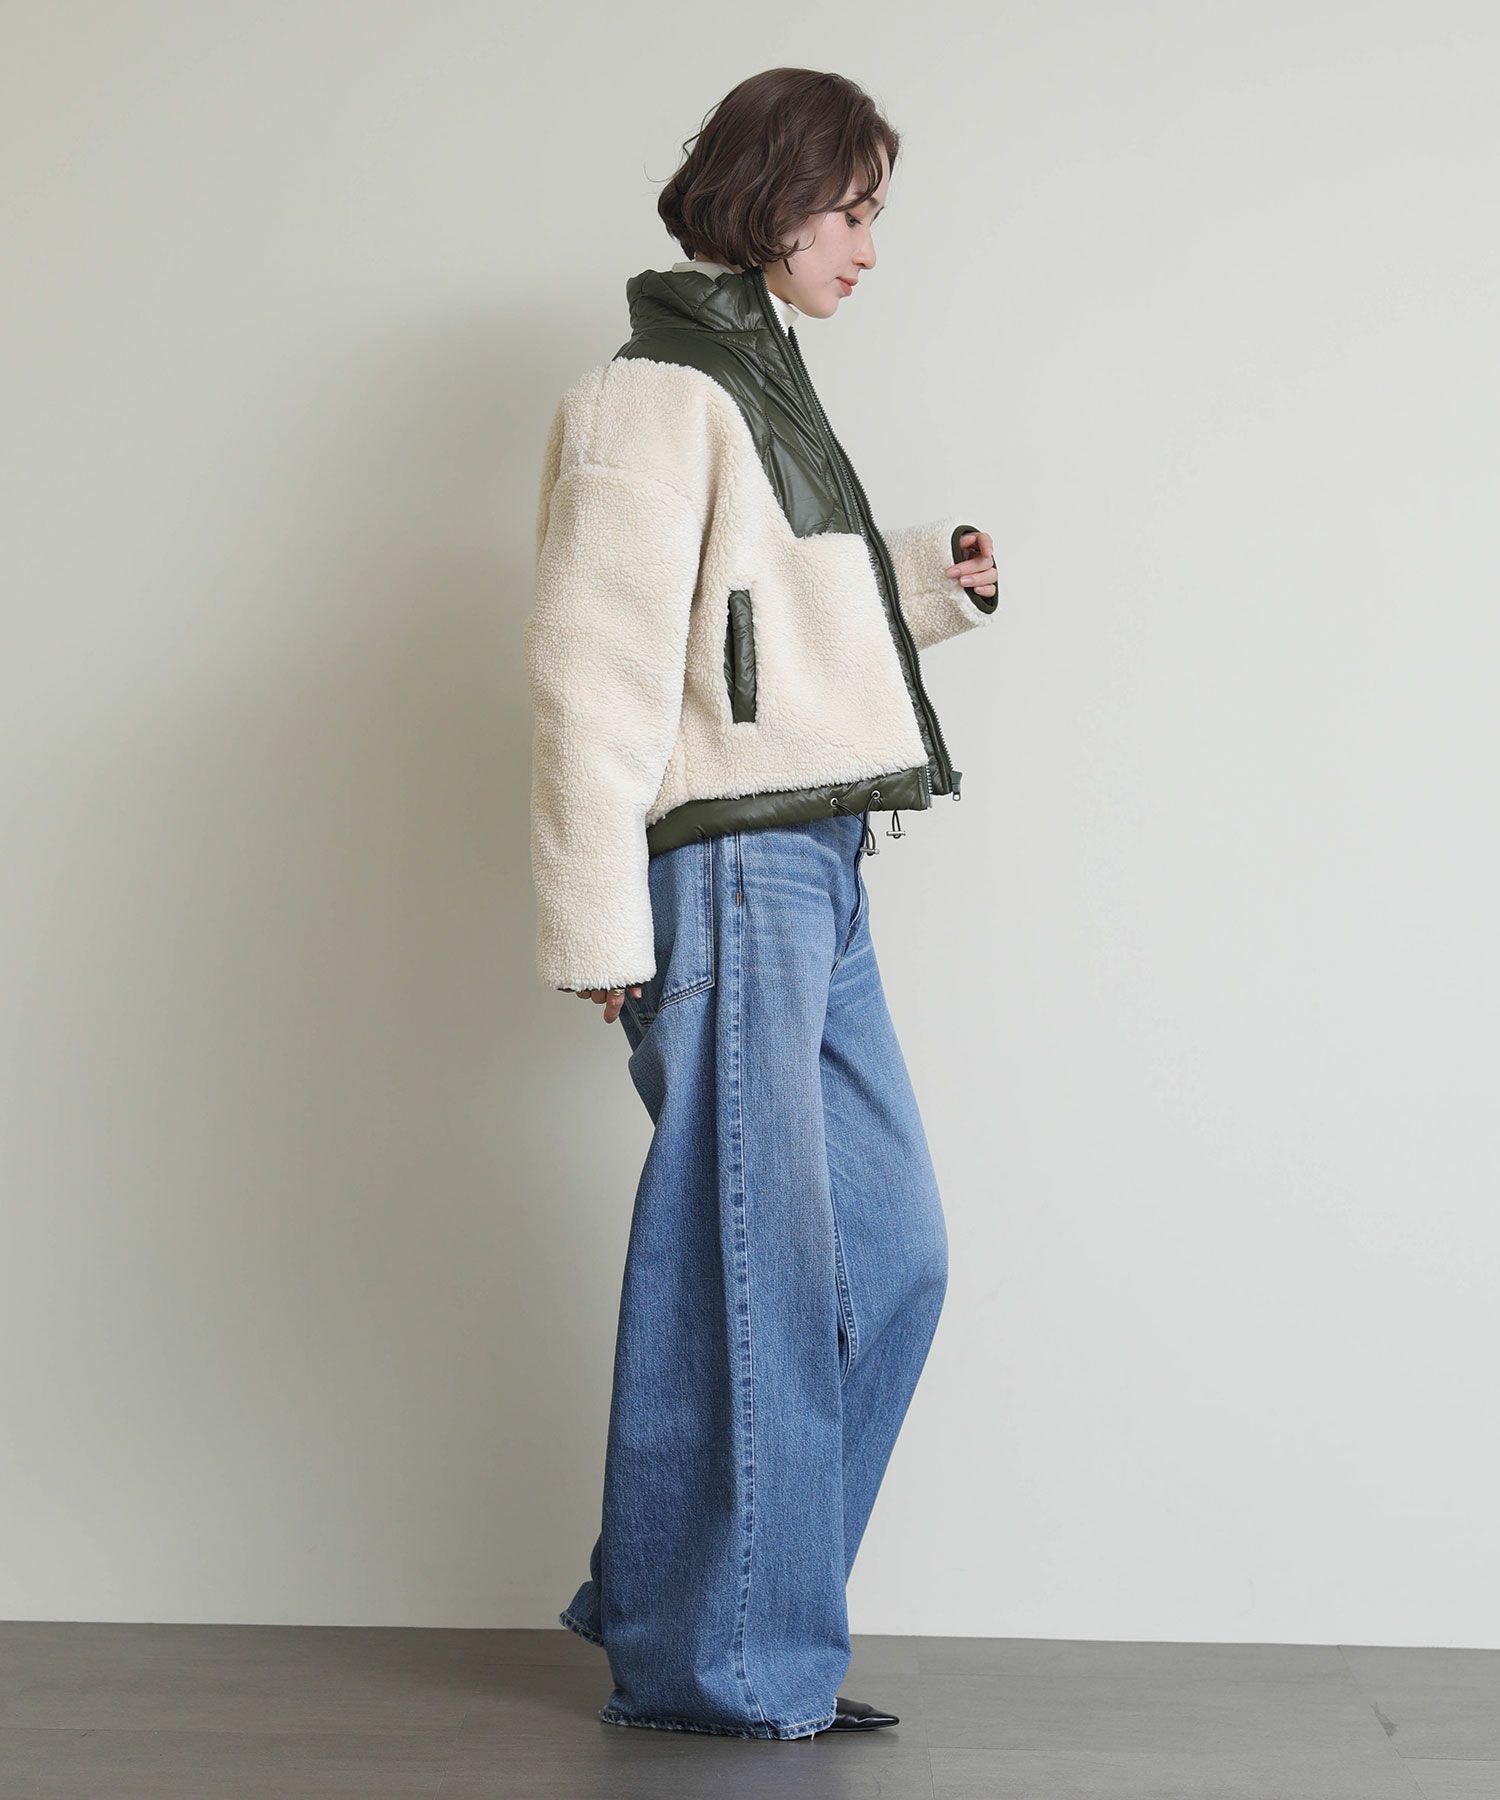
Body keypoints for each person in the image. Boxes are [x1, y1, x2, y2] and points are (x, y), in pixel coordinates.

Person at [527, 66, 1000, 1742]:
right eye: (853, 210)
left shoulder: (758, 379)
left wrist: (932, 582)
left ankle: (699, 1606)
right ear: (776, 197)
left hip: (817, 862)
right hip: (728, 872)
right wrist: (599, 929)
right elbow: (593, 678)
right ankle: (718, 1666)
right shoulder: (653, 395)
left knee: (894, 1256)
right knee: (760, 1275)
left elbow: (772, 629)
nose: (869, 246)